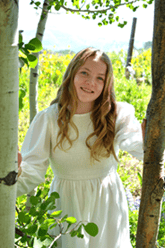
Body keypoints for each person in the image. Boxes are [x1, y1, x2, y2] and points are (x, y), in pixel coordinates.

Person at [17, 47, 146, 248]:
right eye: (84, 73)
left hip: (107, 201)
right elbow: (32, 170)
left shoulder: (117, 114)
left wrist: (150, 142)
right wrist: (12, 177)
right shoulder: (49, 119)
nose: (90, 82)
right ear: (71, 75)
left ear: (106, 84)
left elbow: (137, 145)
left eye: (100, 78)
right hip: (67, 206)